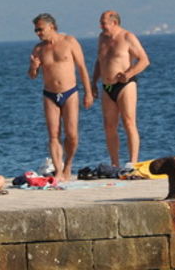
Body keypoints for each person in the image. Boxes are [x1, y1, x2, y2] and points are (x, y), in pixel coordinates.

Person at [29, 13, 93, 181]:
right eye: (36, 30)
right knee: (53, 134)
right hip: (49, 94)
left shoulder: (69, 42)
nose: (38, 33)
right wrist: (34, 67)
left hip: (70, 92)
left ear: (51, 27)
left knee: (71, 134)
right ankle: (58, 170)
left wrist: (88, 92)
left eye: (40, 29)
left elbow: (82, 68)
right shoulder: (38, 49)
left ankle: (68, 164)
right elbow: (32, 76)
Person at [92, 10, 150, 167]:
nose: (101, 26)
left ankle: (133, 162)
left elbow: (144, 60)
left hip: (125, 85)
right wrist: (93, 83)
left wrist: (129, 73)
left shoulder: (127, 37)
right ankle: (114, 163)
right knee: (109, 126)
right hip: (107, 86)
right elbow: (100, 61)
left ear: (114, 23)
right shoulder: (102, 38)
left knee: (129, 122)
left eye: (103, 23)